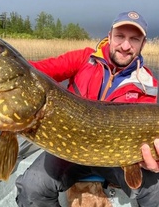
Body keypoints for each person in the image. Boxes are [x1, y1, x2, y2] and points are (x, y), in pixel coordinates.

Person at [15, 11, 159, 207]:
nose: (125, 46)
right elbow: (30, 73)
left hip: (117, 160)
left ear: (143, 44)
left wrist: (153, 161)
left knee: (155, 195)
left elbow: (144, 136)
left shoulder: (148, 85)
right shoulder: (84, 59)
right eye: (120, 37)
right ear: (109, 36)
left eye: (134, 39)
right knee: (32, 187)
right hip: (68, 152)